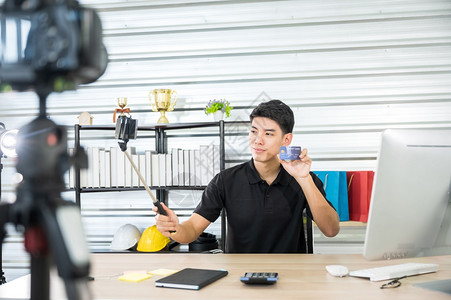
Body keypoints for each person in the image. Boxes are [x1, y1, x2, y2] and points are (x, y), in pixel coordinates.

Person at [153, 99, 340, 253]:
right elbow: (192, 229)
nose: (258, 140)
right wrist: (174, 229)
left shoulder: (304, 177)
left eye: (268, 134)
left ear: (286, 140)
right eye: (253, 131)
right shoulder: (225, 181)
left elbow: (331, 230)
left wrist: (304, 179)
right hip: (240, 275)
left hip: (290, 275)